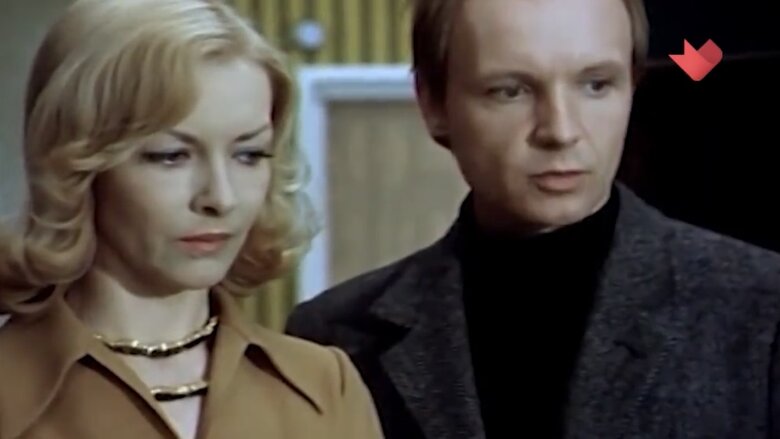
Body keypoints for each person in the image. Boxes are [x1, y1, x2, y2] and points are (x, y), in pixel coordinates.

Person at [285, 0, 780, 437]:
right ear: (433, 103)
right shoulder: (333, 338)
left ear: (632, 87)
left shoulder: (762, 309)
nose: (560, 131)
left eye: (596, 85)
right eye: (510, 91)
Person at [0, 1, 384, 438]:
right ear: (77, 164)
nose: (221, 197)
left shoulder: (324, 387)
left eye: (249, 154)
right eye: (171, 156)